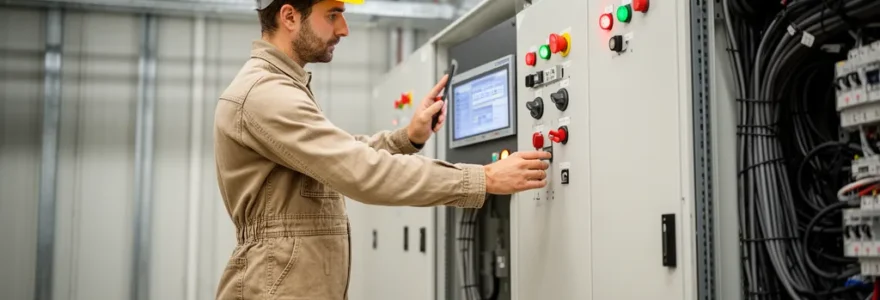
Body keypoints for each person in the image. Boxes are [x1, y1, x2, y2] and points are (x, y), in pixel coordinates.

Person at [212, 0, 552, 298]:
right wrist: (483, 178)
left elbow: (342, 150)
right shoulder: (265, 93)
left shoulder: (281, 86)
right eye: (333, 15)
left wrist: (408, 137)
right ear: (289, 16)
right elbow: (360, 169)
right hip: (279, 287)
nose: (343, 29)